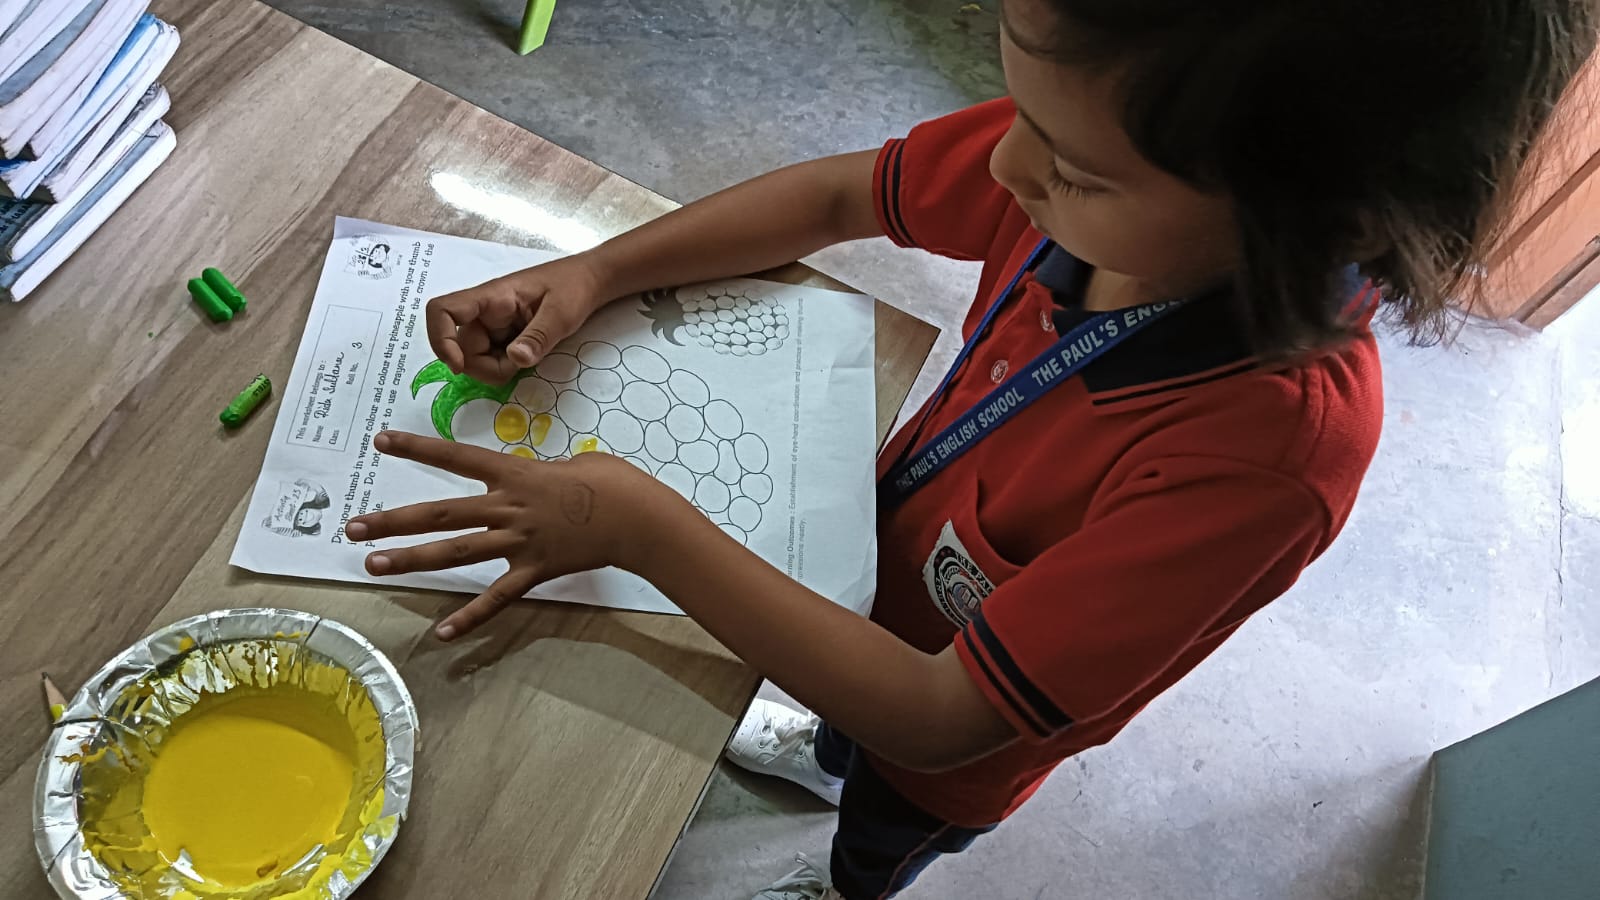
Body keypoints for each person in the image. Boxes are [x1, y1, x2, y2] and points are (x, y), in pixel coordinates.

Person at [342, 1, 1595, 897]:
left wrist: (643, 528)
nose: (1003, 162)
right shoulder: (1093, 162)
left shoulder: (1266, 461)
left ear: (1324, 217)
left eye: (1074, 168)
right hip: (870, 583)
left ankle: (840, 875)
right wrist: (597, 269)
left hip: (945, 746)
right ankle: (820, 743)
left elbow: (942, 718)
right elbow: (840, 196)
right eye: (1026, 113)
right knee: (837, 711)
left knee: (879, 815)